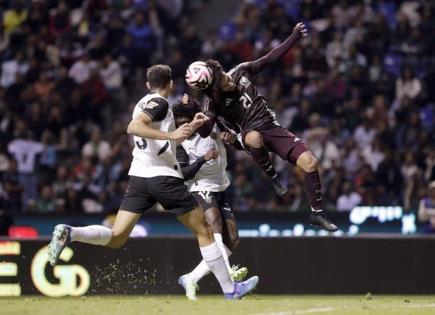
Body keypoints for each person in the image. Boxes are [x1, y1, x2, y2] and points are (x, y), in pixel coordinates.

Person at [48, 65, 258, 299]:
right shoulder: (160, 103)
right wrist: (171, 135)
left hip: (139, 178)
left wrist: (194, 126)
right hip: (163, 178)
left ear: (148, 85)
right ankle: (231, 289)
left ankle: (71, 232)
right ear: (171, 84)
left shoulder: (144, 102)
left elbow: (162, 136)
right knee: (205, 230)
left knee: (116, 237)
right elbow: (134, 127)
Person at [185, 22, 337, 232]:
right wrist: (196, 112)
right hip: (248, 133)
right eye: (217, 86)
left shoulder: (241, 70)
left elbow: (271, 58)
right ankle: (273, 177)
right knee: (254, 138)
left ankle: (317, 214)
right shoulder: (213, 102)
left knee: (310, 163)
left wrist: (294, 36)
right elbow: (205, 131)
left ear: (219, 70)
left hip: (273, 128)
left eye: (222, 80)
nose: (225, 85)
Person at [173, 95, 248, 300]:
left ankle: (191, 277)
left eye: (185, 122)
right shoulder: (180, 144)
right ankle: (229, 275)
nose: (183, 126)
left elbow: (237, 140)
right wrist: (202, 159)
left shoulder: (211, 126)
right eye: (178, 123)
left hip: (220, 186)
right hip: (199, 187)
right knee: (214, 222)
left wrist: (231, 139)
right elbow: (184, 173)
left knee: (232, 239)